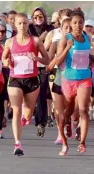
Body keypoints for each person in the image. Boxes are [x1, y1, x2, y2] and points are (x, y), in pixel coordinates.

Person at [1, 13, 49, 156]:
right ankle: (17, 144)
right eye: (20, 23)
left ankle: (25, 118)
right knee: (16, 109)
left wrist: (37, 58)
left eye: (25, 23)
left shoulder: (35, 41)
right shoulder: (10, 42)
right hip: (15, 79)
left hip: (32, 80)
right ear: (15, 25)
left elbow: (47, 60)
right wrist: (7, 62)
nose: (22, 26)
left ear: (29, 24)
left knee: (27, 113)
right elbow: (4, 59)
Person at [54, 8, 94, 155]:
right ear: (70, 24)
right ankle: (64, 142)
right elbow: (58, 62)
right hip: (68, 79)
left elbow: (89, 56)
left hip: (84, 79)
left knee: (83, 109)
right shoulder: (66, 39)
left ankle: (82, 142)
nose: (78, 25)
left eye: (81, 22)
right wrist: (67, 48)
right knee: (67, 112)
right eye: (75, 22)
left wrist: (92, 59)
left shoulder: (87, 38)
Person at [28, 7, 55, 137]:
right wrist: (40, 38)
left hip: (44, 64)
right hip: (30, 65)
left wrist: (43, 38)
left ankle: (41, 122)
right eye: (35, 17)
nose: (38, 19)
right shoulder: (29, 29)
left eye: (40, 16)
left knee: (42, 94)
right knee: (32, 94)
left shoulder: (50, 30)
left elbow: (49, 48)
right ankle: (28, 114)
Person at [46, 16, 72, 144]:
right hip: (57, 73)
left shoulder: (79, 42)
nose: (68, 30)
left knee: (71, 107)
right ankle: (60, 132)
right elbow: (50, 59)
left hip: (74, 77)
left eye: (70, 28)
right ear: (60, 30)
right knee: (58, 106)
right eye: (65, 28)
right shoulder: (56, 43)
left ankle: (69, 122)